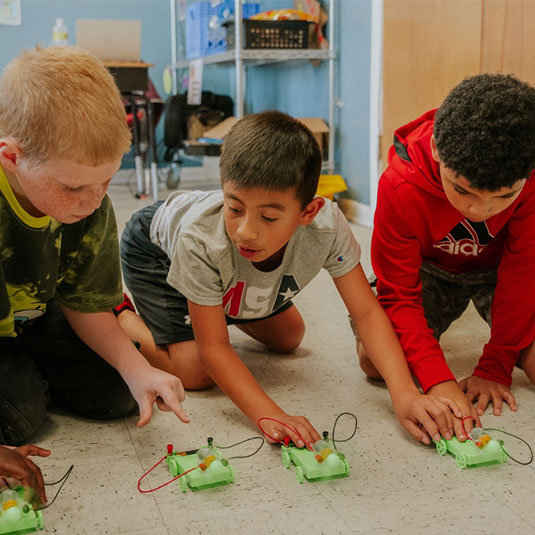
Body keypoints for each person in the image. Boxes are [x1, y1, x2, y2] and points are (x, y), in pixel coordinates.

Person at [119, 110, 461, 450]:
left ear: (307, 212)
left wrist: (404, 394)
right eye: (234, 207)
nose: (246, 231)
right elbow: (214, 350)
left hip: (224, 271)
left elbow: (367, 313)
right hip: (155, 253)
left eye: (268, 216)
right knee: (195, 372)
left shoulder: (326, 227)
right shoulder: (201, 240)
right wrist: (269, 414)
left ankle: (215, 305)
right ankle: (121, 315)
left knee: (289, 336)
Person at [0, 46, 188, 503]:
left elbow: (87, 302)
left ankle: (27, 370)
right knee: (19, 416)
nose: (92, 200)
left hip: (35, 320)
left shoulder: (88, 203)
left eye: (106, 182)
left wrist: (137, 369)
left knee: (119, 393)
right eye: (73, 187)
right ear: (11, 157)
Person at [359, 73, 535, 440]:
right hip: (431, 270)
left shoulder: (528, 174)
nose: (479, 210)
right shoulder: (400, 184)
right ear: (438, 149)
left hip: (497, 271)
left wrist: (496, 364)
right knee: (373, 363)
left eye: (503, 197)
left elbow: (524, 272)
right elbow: (400, 294)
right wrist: (439, 380)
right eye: (462, 189)